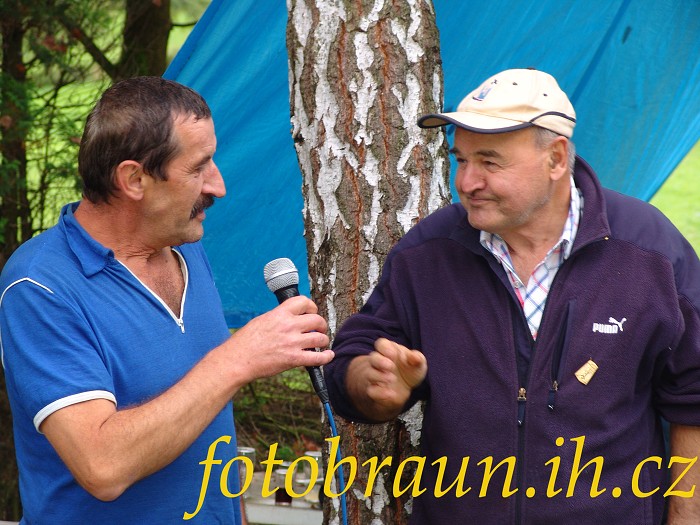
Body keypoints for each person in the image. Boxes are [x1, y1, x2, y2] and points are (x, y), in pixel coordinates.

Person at [324, 68, 700, 524]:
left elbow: (693, 393)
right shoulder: (429, 254)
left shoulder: (647, 252)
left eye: (489, 162)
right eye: (461, 160)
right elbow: (354, 360)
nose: (467, 182)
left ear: (555, 159)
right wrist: (371, 383)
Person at [0, 77, 333, 524]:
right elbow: (102, 467)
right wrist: (238, 360)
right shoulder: (40, 285)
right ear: (134, 179)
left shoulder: (185, 247)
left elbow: (206, 421)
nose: (218, 186)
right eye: (198, 168)